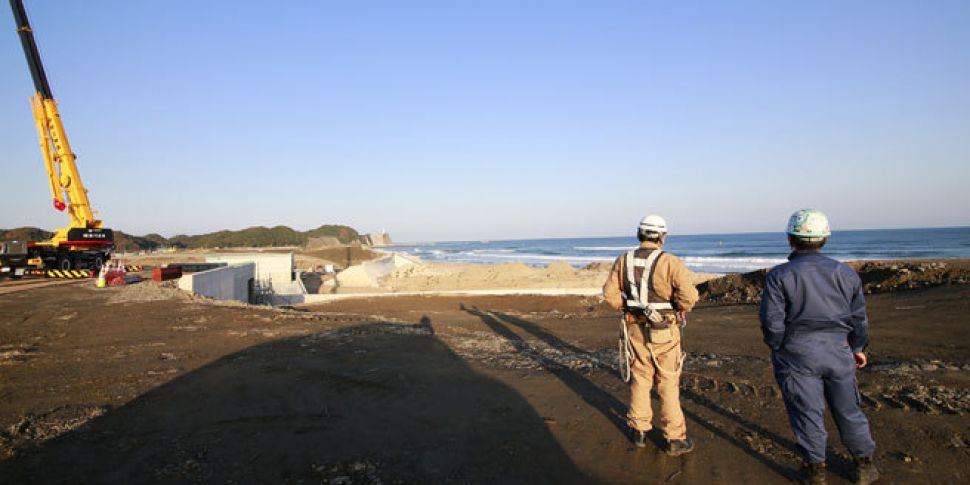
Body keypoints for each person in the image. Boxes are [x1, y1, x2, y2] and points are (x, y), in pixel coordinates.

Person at [759, 209, 879, 485]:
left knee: (807, 411)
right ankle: (863, 466)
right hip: (838, 349)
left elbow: (771, 320)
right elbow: (858, 316)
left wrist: (779, 346)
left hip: (797, 352)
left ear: (791, 238)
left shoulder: (779, 275)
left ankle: (815, 471)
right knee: (848, 409)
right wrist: (858, 346)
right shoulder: (845, 274)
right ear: (824, 238)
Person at [603, 214, 699, 455]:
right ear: (662, 236)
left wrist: (627, 309)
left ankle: (639, 431)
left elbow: (610, 295)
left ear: (640, 233)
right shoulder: (670, 262)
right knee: (667, 381)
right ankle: (675, 438)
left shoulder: (623, 261)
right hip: (664, 331)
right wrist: (678, 309)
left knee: (641, 377)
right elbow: (689, 297)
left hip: (635, 327)